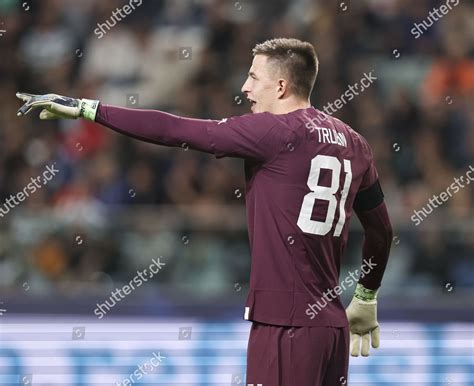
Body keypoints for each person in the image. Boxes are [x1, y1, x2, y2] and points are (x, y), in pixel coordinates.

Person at [17, 37, 393, 386]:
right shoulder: (354, 143)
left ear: (280, 86)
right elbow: (380, 231)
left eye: (253, 77)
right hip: (332, 330)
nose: (245, 88)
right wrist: (365, 296)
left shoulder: (274, 133)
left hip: (286, 325)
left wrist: (89, 108)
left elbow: (174, 129)